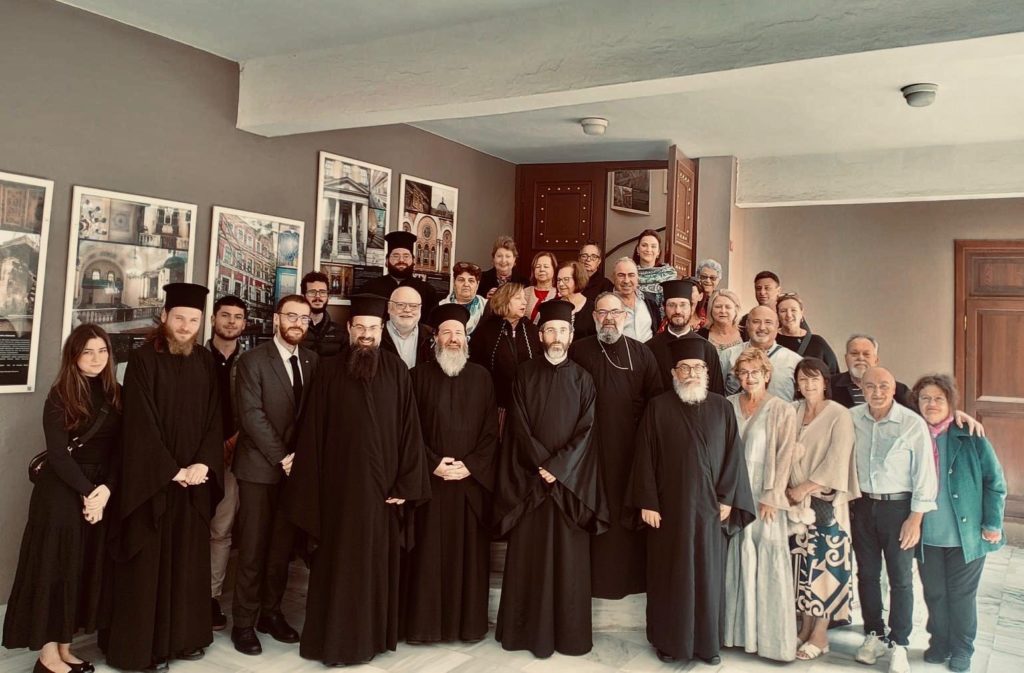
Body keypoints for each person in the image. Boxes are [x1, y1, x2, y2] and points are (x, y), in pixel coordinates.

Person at [286, 294, 430, 667]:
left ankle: (373, 640)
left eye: (373, 328)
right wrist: (313, 489)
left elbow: (410, 432)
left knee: (375, 568)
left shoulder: (398, 372)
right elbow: (312, 433)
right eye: (360, 328)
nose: (366, 335)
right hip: (338, 495)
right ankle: (332, 640)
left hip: (382, 496)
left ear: (382, 331)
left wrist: (404, 484)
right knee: (337, 567)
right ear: (349, 330)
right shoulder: (328, 370)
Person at [105, 283, 223, 671]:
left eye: (193, 320)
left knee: (188, 559)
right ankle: (145, 646)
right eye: (180, 319)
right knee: (148, 562)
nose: (186, 326)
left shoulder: (205, 360)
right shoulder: (142, 360)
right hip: (153, 482)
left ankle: (184, 638)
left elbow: (214, 418)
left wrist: (204, 463)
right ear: (164, 318)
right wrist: (171, 469)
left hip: (193, 481)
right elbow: (140, 423)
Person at [624, 337, 756, 665]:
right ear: (674, 372)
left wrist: (728, 497)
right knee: (670, 575)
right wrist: (648, 502)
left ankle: (707, 645)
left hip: (710, 510)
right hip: (669, 511)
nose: (692, 373)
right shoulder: (659, 406)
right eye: (685, 368)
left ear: (707, 372)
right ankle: (669, 643)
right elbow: (644, 456)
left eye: (697, 368)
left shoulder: (721, 407)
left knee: (708, 576)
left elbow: (733, 458)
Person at [3, 324, 122, 673]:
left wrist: (107, 490)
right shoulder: (60, 395)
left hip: (99, 490)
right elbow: (58, 454)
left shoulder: (117, 394)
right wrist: (89, 493)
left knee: (78, 569)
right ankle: (47, 655)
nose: (96, 358)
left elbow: (121, 451)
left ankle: (66, 647)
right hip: (60, 491)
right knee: (53, 568)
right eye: (88, 351)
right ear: (74, 356)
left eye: (102, 351)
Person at [494, 300, 607, 658]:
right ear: (540, 334)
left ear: (572, 336)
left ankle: (569, 635)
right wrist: (542, 466)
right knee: (530, 557)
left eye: (563, 330)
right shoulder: (525, 374)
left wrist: (557, 468)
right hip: (531, 483)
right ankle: (523, 632)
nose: (556, 336)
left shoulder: (584, 379)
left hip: (569, 486)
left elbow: (587, 431)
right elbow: (519, 427)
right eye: (550, 330)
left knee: (569, 562)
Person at [229, 295, 318, 656]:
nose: (297, 322)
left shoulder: (313, 361)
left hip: (296, 473)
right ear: (276, 319)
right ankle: (244, 623)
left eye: (304, 318)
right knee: (252, 548)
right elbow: (251, 416)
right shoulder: (252, 361)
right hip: (259, 470)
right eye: (291, 316)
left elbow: (313, 416)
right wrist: (284, 458)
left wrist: (304, 461)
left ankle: (271, 613)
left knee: (281, 550)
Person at [405, 304, 498, 643]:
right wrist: (433, 463)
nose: (453, 338)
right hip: (431, 484)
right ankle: (424, 628)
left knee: (469, 560)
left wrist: (469, 466)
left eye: (459, 333)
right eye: (447, 332)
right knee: (427, 558)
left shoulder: (482, 378)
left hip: (469, 486)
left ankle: (467, 626)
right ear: (436, 339)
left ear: (467, 339)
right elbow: (409, 431)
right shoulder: (417, 377)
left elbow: (492, 432)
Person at [911, 374, 1006, 673]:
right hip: (927, 535)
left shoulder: (970, 435)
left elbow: (995, 482)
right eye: (925, 398)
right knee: (934, 592)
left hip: (965, 535)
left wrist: (992, 522)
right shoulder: (912, 434)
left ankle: (963, 649)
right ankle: (939, 642)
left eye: (939, 398)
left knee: (962, 595)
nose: (931, 404)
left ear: (950, 402)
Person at [569, 292, 662, 599]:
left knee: (623, 516)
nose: (609, 318)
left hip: (629, 450)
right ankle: (586, 579)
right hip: (586, 452)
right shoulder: (578, 350)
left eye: (615, 313)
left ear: (626, 316)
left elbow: (654, 402)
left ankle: (625, 582)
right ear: (594, 317)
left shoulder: (642, 353)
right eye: (602, 312)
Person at [850, 367, 937, 673]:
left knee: (900, 578)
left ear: (893, 388)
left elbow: (925, 474)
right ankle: (873, 634)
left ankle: (899, 643)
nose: (877, 391)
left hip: (899, 509)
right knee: (867, 574)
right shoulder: (852, 417)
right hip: (861, 506)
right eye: (870, 386)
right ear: (861, 387)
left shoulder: (911, 423)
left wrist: (915, 518)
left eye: (883, 386)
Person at [722, 348, 799, 662]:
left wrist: (773, 495)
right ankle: (733, 635)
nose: (749, 377)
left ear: (768, 375)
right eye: (744, 372)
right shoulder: (727, 406)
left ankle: (771, 642)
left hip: (763, 496)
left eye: (755, 372)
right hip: (732, 496)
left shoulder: (782, 409)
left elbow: (785, 455)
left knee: (766, 561)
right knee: (733, 560)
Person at [786, 357, 860, 662]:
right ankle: (804, 626)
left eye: (813, 379)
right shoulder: (792, 411)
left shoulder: (839, 415)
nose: (808, 385)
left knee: (825, 567)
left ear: (825, 381)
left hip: (824, 500)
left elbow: (838, 459)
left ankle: (821, 633)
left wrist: (805, 488)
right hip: (793, 503)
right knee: (800, 564)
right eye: (802, 380)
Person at [206, 295, 247, 631]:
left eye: (237, 317)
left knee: (221, 530)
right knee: (190, 529)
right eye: (225, 315)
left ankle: (211, 596)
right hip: (195, 459)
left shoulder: (248, 363)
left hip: (234, 456)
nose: (231, 322)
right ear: (213, 319)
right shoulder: (196, 358)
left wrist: (232, 442)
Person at [469, 283, 540, 435]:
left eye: (524, 298)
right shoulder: (485, 332)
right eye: (517, 298)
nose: (524, 302)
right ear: (504, 300)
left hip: (529, 408)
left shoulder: (533, 331)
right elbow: (475, 370)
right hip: (496, 408)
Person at [647, 279, 725, 394]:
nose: (677, 310)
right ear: (664, 308)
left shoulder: (707, 349)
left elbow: (717, 394)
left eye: (683, 305)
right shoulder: (649, 348)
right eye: (671, 305)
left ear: (691, 308)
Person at [721, 305, 803, 400]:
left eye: (768, 322)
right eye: (756, 322)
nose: (762, 327)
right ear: (747, 324)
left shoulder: (794, 361)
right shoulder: (728, 355)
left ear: (777, 326)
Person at [359, 231, 440, 318]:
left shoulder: (428, 292)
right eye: (396, 256)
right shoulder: (370, 288)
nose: (401, 260)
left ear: (413, 261)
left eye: (406, 256)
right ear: (386, 261)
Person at [831, 334, 913, 408]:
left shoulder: (899, 391)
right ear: (846, 359)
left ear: (876, 360)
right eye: (854, 353)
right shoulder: (829, 386)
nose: (860, 358)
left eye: (866, 354)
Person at [775, 293, 839, 376]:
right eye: (783, 311)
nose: (789, 315)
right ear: (778, 315)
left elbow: (834, 374)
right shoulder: (772, 341)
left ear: (801, 313)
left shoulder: (817, 342)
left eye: (793, 310)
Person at [381, 286, 433, 369]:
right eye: (400, 305)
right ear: (389, 307)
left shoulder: (432, 336)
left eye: (413, 306)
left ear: (420, 309)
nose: (407, 310)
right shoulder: (375, 334)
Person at [738, 270, 808, 332]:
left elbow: (805, 340)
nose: (762, 292)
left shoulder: (789, 317)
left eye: (767, 288)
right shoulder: (747, 319)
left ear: (778, 291)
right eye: (758, 288)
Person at [611, 257, 660, 343]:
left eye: (631, 275)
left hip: (648, 354)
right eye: (621, 275)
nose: (626, 280)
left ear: (637, 277)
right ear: (613, 277)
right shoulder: (607, 304)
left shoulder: (649, 301)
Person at [301, 271, 345, 357]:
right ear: (303, 296)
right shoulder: (296, 329)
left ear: (328, 296)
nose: (318, 296)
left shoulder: (340, 333)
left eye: (322, 292)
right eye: (312, 292)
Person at [632, 229, 677, 310]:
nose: (648, 250)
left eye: (653, 246)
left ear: (658, 252)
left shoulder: (669, 274)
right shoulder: (629, 273)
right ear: (638, 249)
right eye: (644, 245)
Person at [438, 261, 487, 334]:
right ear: (454, 282)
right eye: (461, 280)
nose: (466, 284)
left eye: (471, 281)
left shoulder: (488, 307)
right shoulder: (441, 308)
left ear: (477, 284)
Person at [555, 260, 595, 338]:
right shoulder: (551, 306)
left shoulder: (593, 308)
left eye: (566, 279)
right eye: (559, 280)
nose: (561, 284)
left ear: (578, 279)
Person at [525, 251, 558, 323]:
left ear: (554, 269)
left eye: (546, 266)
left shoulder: (559, 293)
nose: (542, 269)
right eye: (538, 266)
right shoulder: (524, 293)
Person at [693, 259, 723, 330]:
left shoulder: (720, 299)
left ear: (718, 280)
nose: (708, 281)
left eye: (713, 278)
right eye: (704, 277)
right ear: (698, 277)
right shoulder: (692, 296)